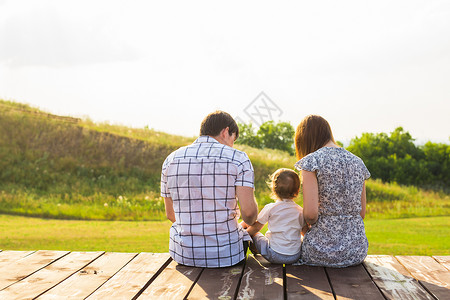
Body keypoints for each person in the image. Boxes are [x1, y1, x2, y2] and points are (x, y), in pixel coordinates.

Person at [160, 111, 258, 268]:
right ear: (225, 132)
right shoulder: (238, 159)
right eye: (233, 139)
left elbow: (171, 214)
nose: (232, 145)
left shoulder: (171, 159)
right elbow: (250, 216)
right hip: (227, 256)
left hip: (184, 255)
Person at [294, 115, 370, 267]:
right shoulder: (357, 161)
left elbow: (310, 215)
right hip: (356, 251)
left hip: (321, 252)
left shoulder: (311, 161)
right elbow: (361, 213)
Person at [241, 168, 305, 264]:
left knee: (254, 233)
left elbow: (256, 228)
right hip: (294, 256)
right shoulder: (300, 211)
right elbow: (304, 232)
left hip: (274, 254)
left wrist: (243, 235)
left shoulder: (270, 208)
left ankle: (255, 250)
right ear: (298, 190)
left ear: (273, 188)